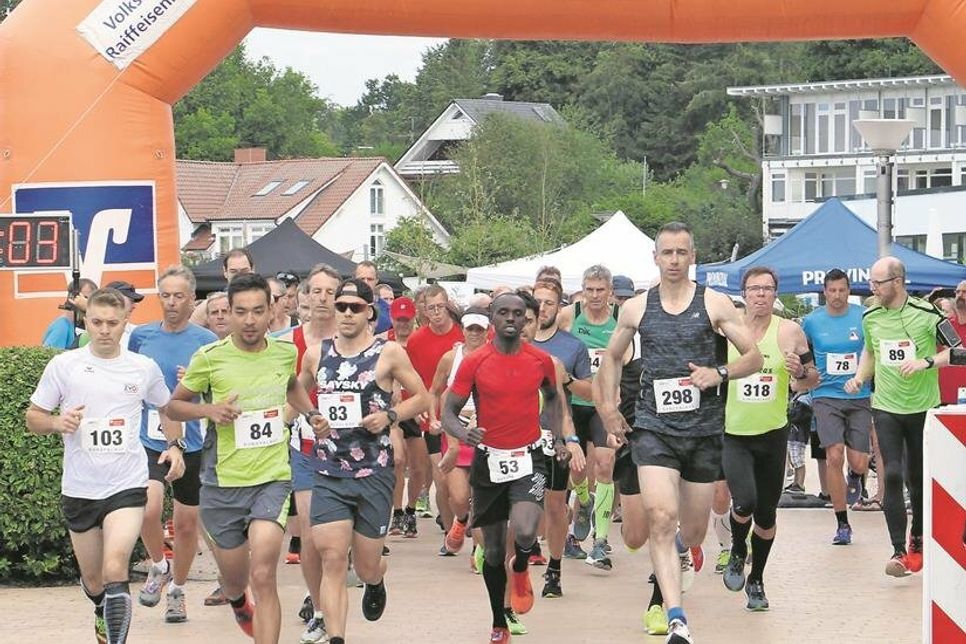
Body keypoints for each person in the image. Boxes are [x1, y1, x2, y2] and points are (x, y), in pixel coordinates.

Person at [597, 221, 762, 644]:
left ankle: (685, 554)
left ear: (693, 257)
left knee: (691, 532)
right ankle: (675, 616)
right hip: (654, 429)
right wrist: (611, 407)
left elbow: (754, 358)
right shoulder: (636, 307)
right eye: (666, 253)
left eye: (681, 253)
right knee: (660, 517)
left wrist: (718, 372)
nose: (673, 260)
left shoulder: (715, 304)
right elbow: (612, 357)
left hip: (704, 433)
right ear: (655, 258)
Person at [165, 273, 326, 643]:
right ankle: (237, 600)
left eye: (257, 311)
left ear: (271, 311)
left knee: (264, 572)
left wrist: (309, 412)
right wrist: (210, 412)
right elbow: (173, 406)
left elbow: (290, 385)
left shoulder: (286, 352)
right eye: (241, 312)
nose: (250, 320)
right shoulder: (209, 358)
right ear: (230, 314)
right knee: (237, 577)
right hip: (223, 483)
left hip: (272, 477)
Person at [26, 287, 180, 644]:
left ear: (125, 322)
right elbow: (33, 416)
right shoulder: (64, 365)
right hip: (80, 488)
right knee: (95, 581)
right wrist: (56, 423)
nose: (105, 329)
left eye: (113, 322)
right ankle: (100, 608)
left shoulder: (142, 368)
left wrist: (174, 446)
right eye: (97, 322)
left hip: (126, 485)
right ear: (86, 321)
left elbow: (167, 407)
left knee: (115, 568)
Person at [442, 291, 573, 644]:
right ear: (493, 320)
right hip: (489, 459)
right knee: (495, 549)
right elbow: (448, 412)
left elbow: (553, 399)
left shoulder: (540, 360)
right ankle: (498, 621)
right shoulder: (475, 361)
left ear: (527, 319)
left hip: (529, 456)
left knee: (528, 530)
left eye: (519, 314)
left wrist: (558, 439)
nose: (512, 319)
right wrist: (463, 433)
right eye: (504, 313)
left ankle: (521, 567)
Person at [307, 278, 429, 644]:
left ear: (369, 312)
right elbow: (295, 391)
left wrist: (390, 417)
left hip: (374, 472)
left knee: (365, 564)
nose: (345, 313)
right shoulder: (316, 353)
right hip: (329, 470)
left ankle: (375, 581)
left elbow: (422, 398)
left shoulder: (388, 353)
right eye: (340, 306)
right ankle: (337, 637)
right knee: (331, 558)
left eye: (354, 307)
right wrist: (309, 415)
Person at [845, 256, 953, 577]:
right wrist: (861, 377)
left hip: (922, 407)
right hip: (886, 406)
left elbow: (958, 350)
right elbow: (871, 352)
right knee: (890, 474)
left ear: (898, 282)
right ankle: (898, 551)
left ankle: (918, 538)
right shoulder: (870, 316)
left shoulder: (928, 314)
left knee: (916, 480)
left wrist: (927, 363)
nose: (872, 288)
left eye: (878, 282)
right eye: (871, 282)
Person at [719, 267, 817, 611]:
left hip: (773, 434)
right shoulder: (727, 330)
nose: (760, 295)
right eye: (754, 289)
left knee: (766, 515)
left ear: (775, 294)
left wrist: (800, 373)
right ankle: (735, 549)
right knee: (743, 501)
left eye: (767, 289)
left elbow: (812, 379)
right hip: (734, 433)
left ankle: (757, 579)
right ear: (744, 294)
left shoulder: (790, 332)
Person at [128, 266, 217, 623]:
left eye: (179, 296)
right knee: (147, 509)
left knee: (185, 525)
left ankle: (177, 591)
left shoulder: (206, 340)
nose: (171, 302)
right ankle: (158, 565)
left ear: (191, 299)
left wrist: (195, 381)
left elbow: (218, 389)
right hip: (149, 436)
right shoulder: (142, 336)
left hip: (192, 440)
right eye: (165, 295)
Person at [281, 263, 342, 642]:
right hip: (303, 441)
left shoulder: (353, 338)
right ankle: (320, 609)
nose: (322, 298)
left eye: (330, 292)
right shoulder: (287, 342)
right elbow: (282, 391)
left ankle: (360, 578)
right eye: (316, 291)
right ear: (304, 296)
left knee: (335, 540)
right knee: (307, 528)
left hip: (347, 446)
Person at [530, 278, 594, 593]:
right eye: (537, 302)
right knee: (527, 507)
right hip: (518, 436)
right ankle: (519, 560)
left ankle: (554, 570)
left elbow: (590, 392)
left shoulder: (572, 346)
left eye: (549, 303)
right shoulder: (514, 342)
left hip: (554, 432)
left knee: (555, 505)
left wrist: (565, 378)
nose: (542, 309)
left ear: (560, 307)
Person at [801, 268, 872, 545]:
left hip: (858, 394)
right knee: (834, 455)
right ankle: (842, 523)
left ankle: (855, 476)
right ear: (824, 291)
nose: (837, 296)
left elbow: (873, 350)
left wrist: (863, 377)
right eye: (832, 290)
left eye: (842, 290)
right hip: (826, 395)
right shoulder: (812, 321)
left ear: (849, 290)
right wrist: (802, 375)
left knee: (859, 460)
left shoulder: (862, 316)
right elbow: (799, 347)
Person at [557, 265, 619, 567]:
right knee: (578, 470)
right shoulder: (569, 315)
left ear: (610, 292)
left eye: (600, 290)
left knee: (605, 464)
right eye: (589, 289)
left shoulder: (620, 318)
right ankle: (583, 500)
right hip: (573, 405)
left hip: (604, 406)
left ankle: (601, 541)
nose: (595, 296)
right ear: (582, 290)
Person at [404, 284, 464, 542]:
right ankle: (451, 533)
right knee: (441, 478)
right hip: (432, 415)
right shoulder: (417, 340)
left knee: (464, 481)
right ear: (424, 311)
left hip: (465, 415)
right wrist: (415, 407)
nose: (437, 313)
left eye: (440, 307)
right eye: (431, 309)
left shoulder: (465, 333)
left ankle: (462, 520)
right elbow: (410, 376)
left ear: (447, 304)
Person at [78, 281, 143, 349]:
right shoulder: (87, 336)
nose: (134, 306)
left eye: (133, 301)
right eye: (97, 322)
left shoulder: (139, 333)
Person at [42, 278, 98, 349]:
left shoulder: (86, 325)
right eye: (84, 298)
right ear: (72, 299)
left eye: (92, 299)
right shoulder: (62, 325)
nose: (86, 303)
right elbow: (50, 355)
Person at [938, 279, 966, 405]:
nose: (960, 295)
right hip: (942, 397)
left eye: (965, 292)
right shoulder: (945, 326)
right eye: (958, 292)